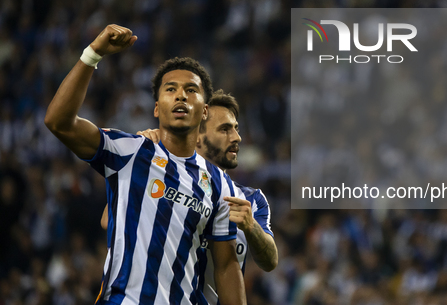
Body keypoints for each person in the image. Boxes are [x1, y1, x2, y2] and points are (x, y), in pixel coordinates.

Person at [45, 25, 246, 305]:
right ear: (156, 108)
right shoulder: (130, 150)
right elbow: (59, 122)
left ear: (205, 111)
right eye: (171, 89)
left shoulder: (219, 184)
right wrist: (94, 53)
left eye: (191, 90)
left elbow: (226, 266)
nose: (181, 96)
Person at [103, 90, 278, 304]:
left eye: (236, 128)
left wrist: (251, 227)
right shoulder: (162, 178)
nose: (236, 137)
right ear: (196, 138)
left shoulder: (251, 199)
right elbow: (107, 221)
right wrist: (136, 167)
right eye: (224, 130)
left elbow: (270, 261)